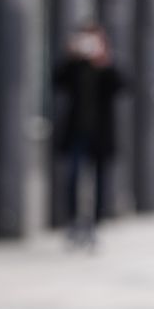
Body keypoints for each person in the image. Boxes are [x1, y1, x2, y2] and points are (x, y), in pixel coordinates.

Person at [52, 22, 128, 246]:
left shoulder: (106, 66)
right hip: (76, 133)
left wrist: (105, 62)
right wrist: (71, 57)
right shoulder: (75, 65)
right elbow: (57, 81)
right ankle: (74, 221)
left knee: (100, 181)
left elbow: (122, 86)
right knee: (72, 177)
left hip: (100, 135)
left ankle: (95, 224)